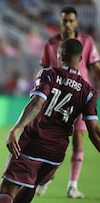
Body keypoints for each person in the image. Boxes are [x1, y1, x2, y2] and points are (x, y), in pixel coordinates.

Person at [0, 38, 100, 203]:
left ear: (61, 55)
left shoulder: (49, 74)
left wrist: (16, 129)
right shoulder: (89, 92)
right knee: (30, 185)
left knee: (7, 189)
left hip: (33, 143)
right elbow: (94, 132)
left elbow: (37, 103)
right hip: (56, 153)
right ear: (80, 59)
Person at [36, 6, 100, 198]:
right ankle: (47, 176)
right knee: (52, 140)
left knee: (80, 139)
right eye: (65, 20)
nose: (68, 24)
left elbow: (96, 67)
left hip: (80, 98)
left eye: (71, 20)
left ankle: (72, 185)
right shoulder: (50, 44)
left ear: (76, 22)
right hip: (58, 100)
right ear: (60, 22)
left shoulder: (87, 42)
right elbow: (44, 70)